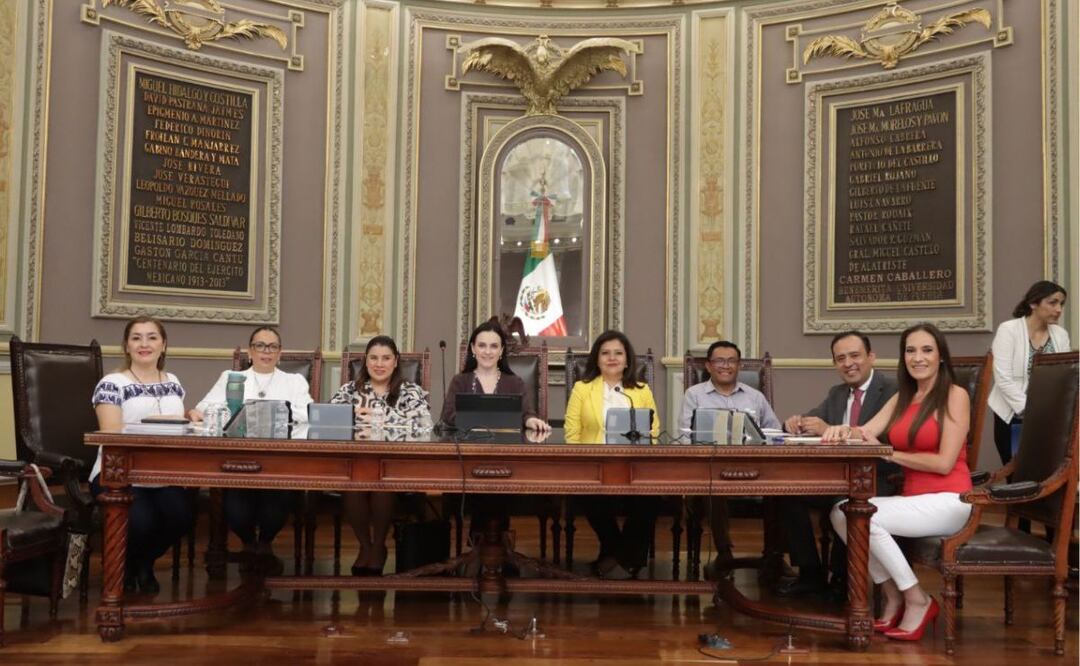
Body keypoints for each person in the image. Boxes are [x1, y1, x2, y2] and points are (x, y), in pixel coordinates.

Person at [824, 323, 972, 641]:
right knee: (840, 513)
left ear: (941, 356)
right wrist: (841, 430)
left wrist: (891, 455)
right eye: (910, 350)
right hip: (915, 500)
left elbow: (944, 462)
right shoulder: (905, 397)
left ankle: (918, 599)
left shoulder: (955, 395)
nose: (918, 358)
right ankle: (892, 594)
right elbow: (867, 432)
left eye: (926, 350)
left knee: (862, 514)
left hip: (950, 500)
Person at [777, 331, 897, 598]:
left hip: (879, 477)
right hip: (837, 477)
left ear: (871, 357)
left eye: (854, 356)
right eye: (840, 358)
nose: (848, 363)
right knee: (788, 494)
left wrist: (829, 428)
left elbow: (887, 438)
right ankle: (810, 573)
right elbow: (814, 419)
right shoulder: (838, 393)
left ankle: (843, 578)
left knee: (847, 501)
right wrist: (795, 423)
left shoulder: (893, 390)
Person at [189, 326, 313, 573]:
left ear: (280, 353)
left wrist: (263, 409)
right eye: (260, 346)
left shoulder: (293, 381)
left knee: (277, 499)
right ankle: (248, 543)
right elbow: (202, 410)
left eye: (272, 347)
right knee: (237, 503)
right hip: (238, 460)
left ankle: (265, 543)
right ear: (250, 351)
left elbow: (309, 413)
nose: (266, 352)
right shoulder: (231, 379)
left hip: (280, 463)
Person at [91, 316, 195, 595]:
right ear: (126, 346)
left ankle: (142, 562)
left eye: (152, 337)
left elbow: (173, 421)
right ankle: (123, 568)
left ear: (163, 345)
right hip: (119, 472)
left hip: (161, 473)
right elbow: (111, 434)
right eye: (136, 338)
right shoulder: (112, 383)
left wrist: (190, 417)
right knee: (142, 520)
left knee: (182, 516)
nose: (144, 344)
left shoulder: (172, 381)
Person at [329, 335, 431, 575]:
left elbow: (424, 423)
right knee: (353, 486)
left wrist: (381, 418)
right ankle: (367, 546)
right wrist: (352, 416)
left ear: (396, 362)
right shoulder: (350, 390)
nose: (379, 363)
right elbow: (328, 418)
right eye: (373, 358)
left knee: (381, 485)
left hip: (396, 466)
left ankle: (378, 547)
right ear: (365, 361)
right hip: (356, 463)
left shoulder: (409, 391)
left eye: (386, 358)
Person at [678, 340, 779, 576]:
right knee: (715, 486)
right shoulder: (694, 395)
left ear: (739, 365)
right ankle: (724, 553)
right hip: (711, 467)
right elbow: (685, 436)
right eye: (719, 361)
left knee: (783, 489)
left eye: (731, 361)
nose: (726, 366)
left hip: (754, 468)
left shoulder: (755, 397)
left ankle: (773, 555)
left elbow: (774, 433)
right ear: (709, 365)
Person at [565, 330, 659, 577]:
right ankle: (626, 559)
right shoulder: (582, 389)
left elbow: (654, 430)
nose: (612, 358)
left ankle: (615, 558)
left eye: (618, 353)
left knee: (650, 497)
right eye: (605, 353)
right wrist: (581, 464)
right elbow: (572, 433)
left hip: (634, 464)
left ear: (627, 360)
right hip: (593, 464)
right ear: (597, 359)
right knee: (591, 496)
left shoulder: (641, 390)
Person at [988, 280, 1070, 467]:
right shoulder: (1008, 330)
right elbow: (1003, 379)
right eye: (1052, 302)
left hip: (1049, 416)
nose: (1058, 309)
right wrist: (1032, 411)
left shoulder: (1060, 334)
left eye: (1061, 304)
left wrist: (1050, 412)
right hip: (1011, 414)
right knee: (1016, 473)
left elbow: (1064, 376)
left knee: (1047, 471)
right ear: (1033, 303)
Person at [440, 319, 550, 432]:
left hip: (506, 447)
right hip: (467, 447)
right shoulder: (460, 381)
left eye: (494, 346)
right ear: (473, 348)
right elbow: (448, 415)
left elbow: (527, 414)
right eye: (482, 346)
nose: (488, 352)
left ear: (501, 350)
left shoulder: (515, 383)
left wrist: (531, 421)